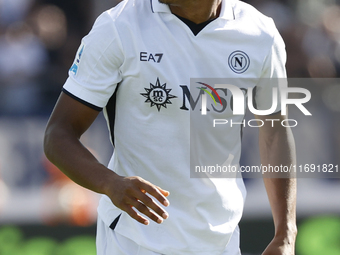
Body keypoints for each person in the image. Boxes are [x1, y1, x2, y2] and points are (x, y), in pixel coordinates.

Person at [44, 0, 297, 254]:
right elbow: (58, 134)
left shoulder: (260, 34)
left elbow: (275, 131)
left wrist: (286, 233)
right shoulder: (119, 26)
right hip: (133, 239)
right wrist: (110, 184)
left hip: (221, 241)